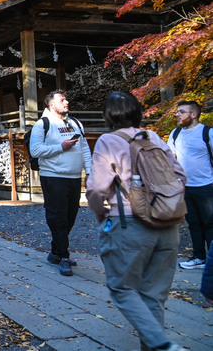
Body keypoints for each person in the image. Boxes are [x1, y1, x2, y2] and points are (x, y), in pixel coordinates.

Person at [87, 91, 185, 351]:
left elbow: (97, 189)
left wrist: (101, 215)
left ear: (108, 115)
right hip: (168, 224)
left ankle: (162, 344)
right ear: (138, 111)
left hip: (130, 224)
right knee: (153, 295)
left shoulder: (108, 141)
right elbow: (179, 175)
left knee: (122, 288)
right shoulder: (153, 137)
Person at [29, 89, 91, 276]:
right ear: (51, 104)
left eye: (66, 99)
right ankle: (63, 256)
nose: (66, 102)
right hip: (53, 176)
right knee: (57, 217)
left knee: (71, 215)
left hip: (74, 177)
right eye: (62, 100)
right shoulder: (43, 124)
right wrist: (61, 147)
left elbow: (85, 148)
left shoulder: (75, 123)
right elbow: (35, 150)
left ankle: (55, 251)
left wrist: (89, 171)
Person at [167, 100, 213, 270]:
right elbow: (170, 158)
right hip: (185, 187)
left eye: (181, 111)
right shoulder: (176, 133)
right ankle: (198, 258)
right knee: (193, 223)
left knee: (210, 223)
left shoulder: (207, 133)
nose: (177, 114)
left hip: (206, 186)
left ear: (193, 114)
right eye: (177, 111)